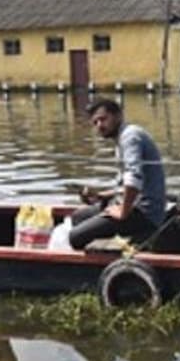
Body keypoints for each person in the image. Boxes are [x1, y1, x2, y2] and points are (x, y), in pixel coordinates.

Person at [69, 99, 167, 250]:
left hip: (145, 214)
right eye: (95, 122)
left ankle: (115, 249)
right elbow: (126, 185)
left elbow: (134, 179)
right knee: (78, 217)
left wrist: (123, 211)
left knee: (75, 237)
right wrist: (102, 195)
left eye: (103, 119)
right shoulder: (122, 138)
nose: (99, 125)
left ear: (118, 116)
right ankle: (105, 245)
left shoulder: (130, 137)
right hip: (131, 205)